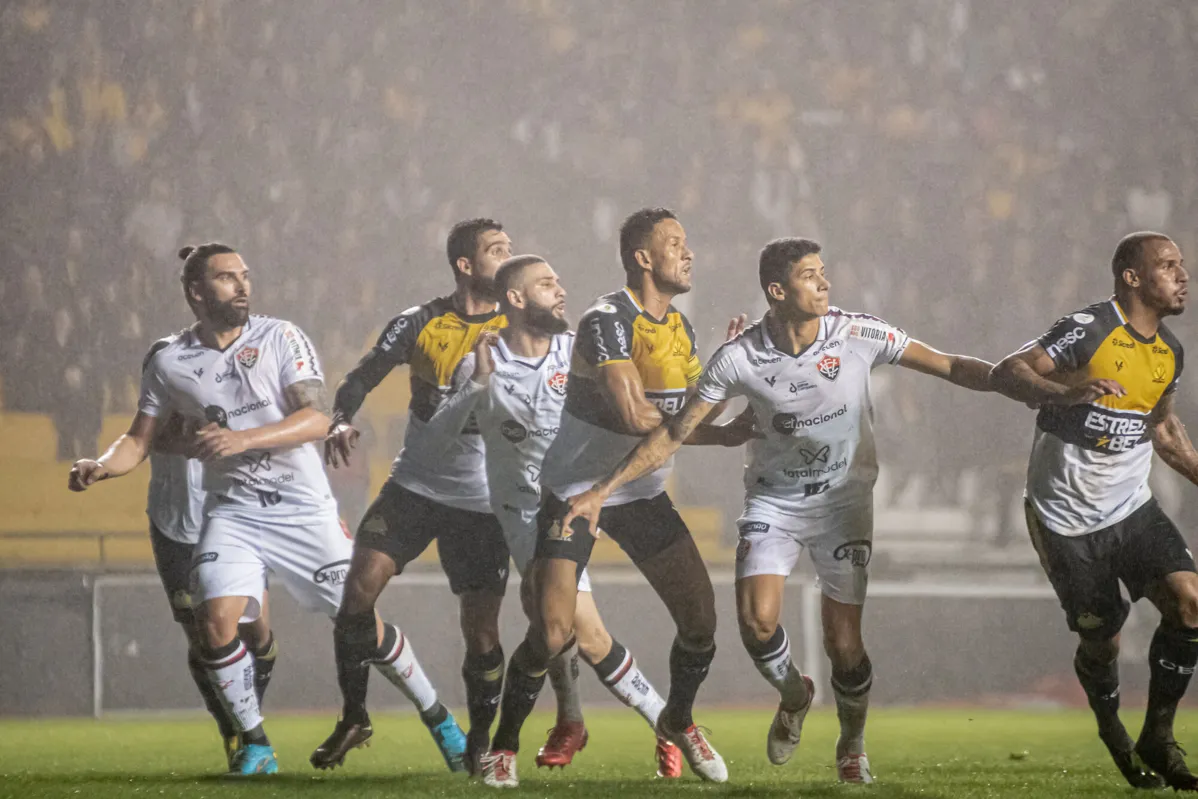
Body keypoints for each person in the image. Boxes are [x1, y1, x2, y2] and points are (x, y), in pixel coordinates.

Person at [563, 236, 996, 784]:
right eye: (810, 275)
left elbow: (950, 364)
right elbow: (674, 431)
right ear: (777, 290)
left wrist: (1016, 382)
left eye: (823, 272)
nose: (825, 283)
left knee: (844, 645)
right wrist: (603, 489)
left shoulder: (858, 332)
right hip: (775, 500)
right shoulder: (741, 357)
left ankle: (852, 743)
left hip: (844, 503)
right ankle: (795, 693)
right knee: (756, 624)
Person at [69, 244, 456, 776]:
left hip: (302, 511)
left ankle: (440, 720)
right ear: (196, 292)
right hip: (233, 511)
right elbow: (139, 439)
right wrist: (102, 465)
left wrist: (242, 439)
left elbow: (318, 418)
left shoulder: (280, 337)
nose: (243, 286)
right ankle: (254, 743)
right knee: (213, 621)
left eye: (245, 276)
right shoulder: (168, 360)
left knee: (360, 621)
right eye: (227, 278)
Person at [484, 208, 752, 785]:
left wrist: (724, 398)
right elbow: (636, 415)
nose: (689, 253)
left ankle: (677, 720)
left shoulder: (680, 329)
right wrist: (706, 417)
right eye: (675, 243)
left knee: (701, 622)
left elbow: (687, 418)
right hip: (578, 493)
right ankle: (502, 747)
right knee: (554, 632)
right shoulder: (605, 319)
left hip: (641, 493)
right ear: (642, 257)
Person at [423, 255, 683, 786]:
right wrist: (475, 387)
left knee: (563, 629)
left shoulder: (579, 352)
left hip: (580, 499)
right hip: (525, 515)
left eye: (560, 281)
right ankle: (662, 725)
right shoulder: (483, 362)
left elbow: (644, 401)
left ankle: (625, 724)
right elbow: (433, 442)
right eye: (546, 284)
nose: (561, 291)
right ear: (514, 299)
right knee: (570, 632)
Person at [991, 231, 1198, 790]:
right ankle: (1113, 731)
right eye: (1167, 265)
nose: (1182, 275)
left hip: (1131, 507)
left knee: (1190, 603)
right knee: (1103, 639)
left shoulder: (1169, 352)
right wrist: (1063, 393)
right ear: (1132, 277)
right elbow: (1007, 371)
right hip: (1065, 520)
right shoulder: (1089, 328)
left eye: (1182, 264)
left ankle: (1158, 734)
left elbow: (1163, 430)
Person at [319, 219, 510, 771]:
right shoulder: (422, 322)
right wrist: (339, 419)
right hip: (416, 485)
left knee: (481, 632)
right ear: (466, 265)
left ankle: (479, 742)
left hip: (482, 502)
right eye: (496, 250)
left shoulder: (521, 325)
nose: (508, 256)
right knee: (356, 595)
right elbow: (363, 375)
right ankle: (355, 716)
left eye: (509, 248)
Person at [143, 332, 276, 769]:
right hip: (174, 527)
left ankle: (246, 712)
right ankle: (238, 731)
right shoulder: (158, 389)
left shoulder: (233, 389)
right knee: (203, 638)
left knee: (257, 635)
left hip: (233, 519)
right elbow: (146, 439)